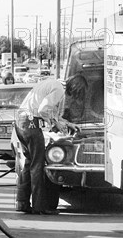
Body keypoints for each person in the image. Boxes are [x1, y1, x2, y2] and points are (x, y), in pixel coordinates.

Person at [15, 75, 88, 215]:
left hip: (21, 122)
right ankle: (39, 207)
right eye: (78, 93)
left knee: (29, 164)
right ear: (75, 88)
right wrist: (56, 124)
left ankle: (22, 202)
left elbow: (49, 111)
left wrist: (67, 124)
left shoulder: (53, 83)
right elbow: (43, 110)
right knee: (38, 166)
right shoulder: (59, 89)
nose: (74, 97)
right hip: (31, 124)